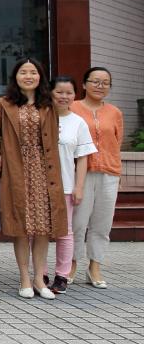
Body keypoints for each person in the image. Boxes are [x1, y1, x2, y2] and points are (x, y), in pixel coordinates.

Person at [0, 58, 67, 300]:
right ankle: (24, 277)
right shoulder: (3, 104)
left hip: (44, 171)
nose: (28, 76)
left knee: (43, 227)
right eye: (23, 72)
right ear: (16, 77)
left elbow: (54, 138)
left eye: (33, 72)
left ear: (40, 77)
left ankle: (39, 279)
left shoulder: (49, 104)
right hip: (16, 169)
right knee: (22, 227)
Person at [70, 67, 123, 289]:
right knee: (78, 222)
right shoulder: (72, 107)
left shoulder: (114, 112)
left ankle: (95, 266)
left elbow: (117, 142)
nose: (100, 86)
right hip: (80, 173)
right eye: (95, 81)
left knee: (102, 223)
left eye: (105, 83)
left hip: (109, 172)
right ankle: (71, 263)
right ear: (84, 84)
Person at [50, 75, 96, 294]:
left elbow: (83, 158)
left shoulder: (78, 122)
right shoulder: (42, 117)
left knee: (65, 232)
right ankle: (40, 273)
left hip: (66, 186)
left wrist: (79, 187)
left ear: (75, 95)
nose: (64, 96)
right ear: (50, 93)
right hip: (39, 185)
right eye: (59, 92)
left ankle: (62, 275)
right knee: (36, 233)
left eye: (69, 92)